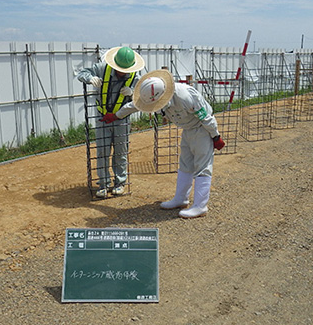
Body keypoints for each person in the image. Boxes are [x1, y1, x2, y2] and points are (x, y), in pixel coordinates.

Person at [105, 69, 225, 218]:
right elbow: (134, 106)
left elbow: (205, 117)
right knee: (185, 164)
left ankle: (200, 206)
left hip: (202, 129)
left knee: (202, 166)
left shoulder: (185, 96)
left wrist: (215, 136)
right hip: (188, 130)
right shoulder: (152, 96)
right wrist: (116, 116)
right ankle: (181, 199)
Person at [77, 46, 145, 198]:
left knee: (121, 151)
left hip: (122, 119)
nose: (123, 73)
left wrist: (133, 91)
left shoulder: (135, 76)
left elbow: (142, 94)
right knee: (102, 151)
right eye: (120, 69)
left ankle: (120, 183)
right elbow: (81, 73)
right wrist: (90, 78)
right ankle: (103, 184)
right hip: (102, 118)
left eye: (126, 70)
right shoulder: (102, 69)